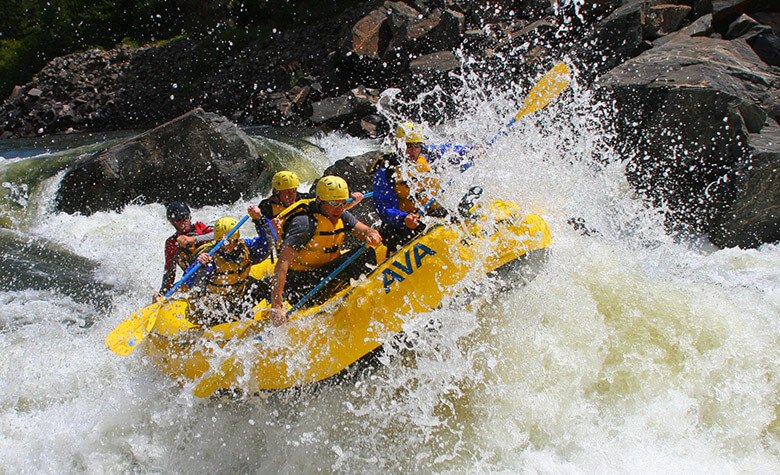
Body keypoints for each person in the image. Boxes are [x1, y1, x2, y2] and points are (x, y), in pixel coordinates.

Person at [268, 176, 382, 326]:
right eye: (334, 204)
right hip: (300, 286)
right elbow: (282, 263)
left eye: (343, 203)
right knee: (357, 259)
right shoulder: (304, 224)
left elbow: (367, 230)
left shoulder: (341, 215)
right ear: (320, 201)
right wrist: (276, 306)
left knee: (366, 253)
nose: (339, 209)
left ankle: (361, 299)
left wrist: (372, 235)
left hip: (323, 275)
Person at [183, 209, 271, 327]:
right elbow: (189, 283)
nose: (224, 246)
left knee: (268, 288)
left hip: (238, 296)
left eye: (228, 242)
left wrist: (260, 220)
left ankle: (274, 315)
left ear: (236, 239)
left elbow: (267, 243)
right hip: (215, 307)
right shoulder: (210, 258)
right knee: (235, 310)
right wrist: (199, 266)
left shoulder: (246, 247)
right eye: (220, 242)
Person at [154, 201, 214, 302]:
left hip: (214, 270)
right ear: (171, 222)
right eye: (178, 219)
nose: (183, 221)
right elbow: (169, 272)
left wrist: (195, 239)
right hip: (194, 279)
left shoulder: (201, 226)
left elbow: (222, 234)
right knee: (164, 296)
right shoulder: (171, 243)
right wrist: (162, 294)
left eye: (185, 217)